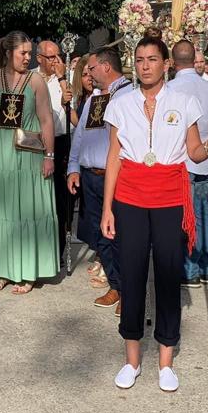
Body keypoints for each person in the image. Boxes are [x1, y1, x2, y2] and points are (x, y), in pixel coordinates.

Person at [101, 36, 208, 392]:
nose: (144, 65)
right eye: (139, 59)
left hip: (171, 195)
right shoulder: (120, 103)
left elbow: (196, 154)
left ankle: (166, 359)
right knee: (133, 274)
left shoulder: (184, 102)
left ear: (166, 63)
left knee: (169, 275)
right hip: (131, 195)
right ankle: (132, 358)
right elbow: (114, 157)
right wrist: (107, 208)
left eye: (152, 59)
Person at [0, 31, 58, 294]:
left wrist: (49, 156)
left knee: (26, 212)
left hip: (28, 155)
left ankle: (27, 272)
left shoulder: (36, 81)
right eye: (22, 53)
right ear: (8, 53)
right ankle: (0, 269)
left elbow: (46, 120)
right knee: (0, 212)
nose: (27, 58)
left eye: (29, 53)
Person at [68, 47, 133, 311]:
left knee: (121, 236)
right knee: (100, 236)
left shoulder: (128, 95)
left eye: (92, 68)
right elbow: (80, 134)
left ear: (106, 67)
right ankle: (116, 285)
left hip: (116, 176)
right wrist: (73, 167)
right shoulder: (95, 97)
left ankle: (129, 290)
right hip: (89, 175)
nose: (89, 73)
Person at [166, 39, 208, 289]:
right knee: (204, 212)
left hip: (184, 159)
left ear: (173, 63)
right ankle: (207, 265)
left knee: (189, 216)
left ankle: (191, 267)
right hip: (206, 157)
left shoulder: (171, 89)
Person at [35, 40, 73, 264]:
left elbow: (72, 110)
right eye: (51, 57)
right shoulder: (30, 77)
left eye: (58, 56)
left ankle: (57, 251)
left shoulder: (64, 80)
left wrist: (61, 80)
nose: (56, 61)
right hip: (34, 143)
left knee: (58, 199)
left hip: (60, 141)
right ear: (39, 58)